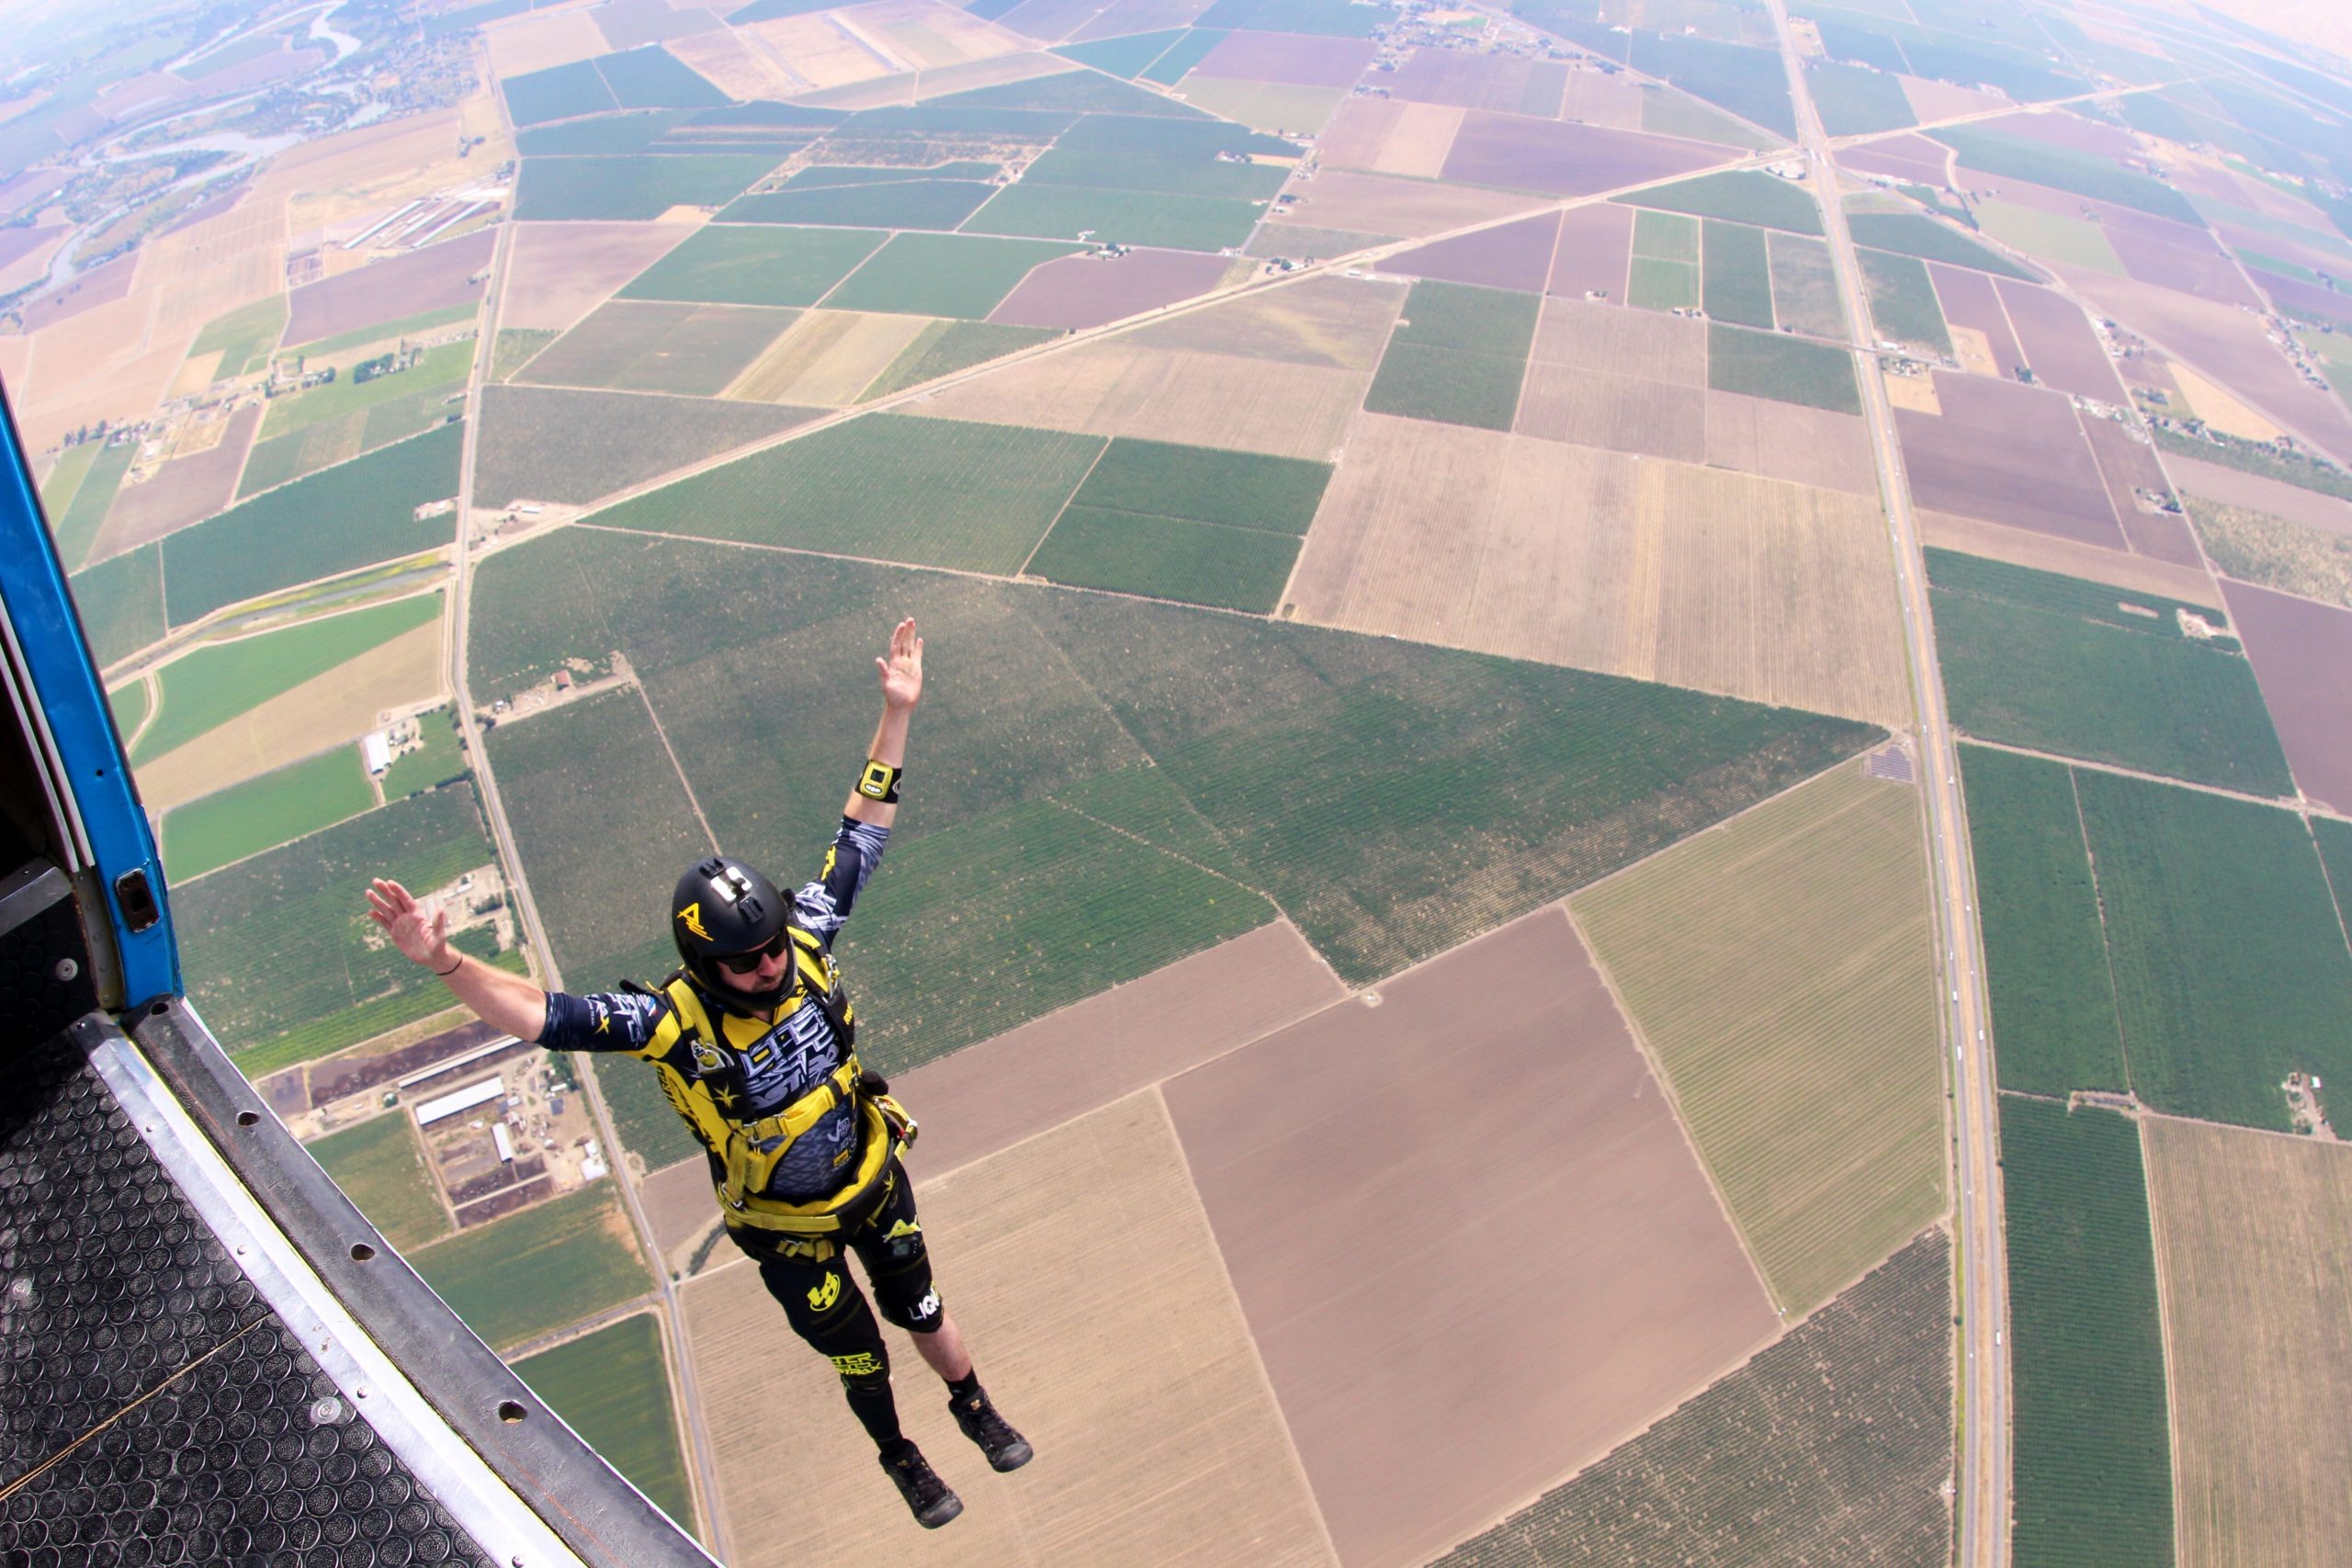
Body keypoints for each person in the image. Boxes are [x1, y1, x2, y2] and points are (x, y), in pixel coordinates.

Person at [365, 617, 1024, 1530]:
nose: (771, 968)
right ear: (706, 964)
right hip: (784, 1225)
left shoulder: (801, 938)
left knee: (920, 1306)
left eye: (770, 951)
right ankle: (899, 1456)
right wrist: (447, 964)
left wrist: (896, 713)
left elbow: (860, 833)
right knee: (857, 1356)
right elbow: (543, 1017)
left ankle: (974, 1406)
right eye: (748, 961)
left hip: (870, 1178)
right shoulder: (670, 1022)